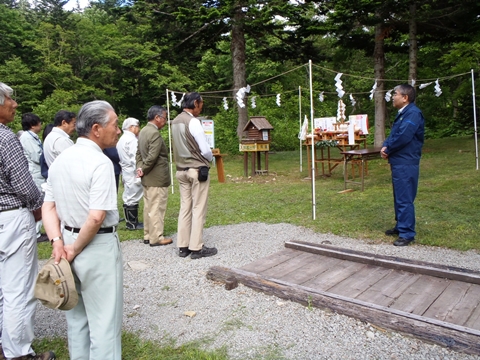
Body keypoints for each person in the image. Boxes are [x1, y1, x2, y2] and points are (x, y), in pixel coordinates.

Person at [42, 100, 123, 360]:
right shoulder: (100, 163)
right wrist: (74, 248)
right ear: (97, 129)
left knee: (76, 320)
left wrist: (57, 242)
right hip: (95, 247)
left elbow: (48, 207)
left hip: (65, 243)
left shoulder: (60, 160)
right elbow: (97, 216)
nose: (118, 130)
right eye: (115, 124)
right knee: (104, 325)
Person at [0, 82, 55, 360]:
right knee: (19, 288)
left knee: (1, 287)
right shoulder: (6, 138)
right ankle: (18, 351)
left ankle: (3, 342)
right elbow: (24, 185)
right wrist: (41, 207)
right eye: (10, 99)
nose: (15, 104)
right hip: (10, 218)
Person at [171, 92, 217, 259]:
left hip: (181, 170)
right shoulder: (193, 122)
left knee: (185, 208)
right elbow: (204, 149)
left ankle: (183, 246)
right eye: (201, 104)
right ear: (196, 103)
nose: (201, 108)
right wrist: (210, 158)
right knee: (198, 208)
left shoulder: (175, 121)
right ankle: (196, 247)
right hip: (197, 170)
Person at [381, 84, 425, 247]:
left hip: (406, 162)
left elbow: (404, 136)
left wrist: (389, 148)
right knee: (399, 195)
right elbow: (394, 134)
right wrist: (385, 146)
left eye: (395, 94)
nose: (393, 96)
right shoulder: (403, 114)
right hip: (399, 161)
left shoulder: (413, 113)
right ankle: (401, 225)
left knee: (405, 197)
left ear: (405, 97)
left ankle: (407, 233)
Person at [136, 106, 172, 246]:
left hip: (147, 177)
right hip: (157, 177)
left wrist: (140, 168)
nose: (165, 121)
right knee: (157, 207)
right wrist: (143, 168)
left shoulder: (143, 131)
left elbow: (138, 153)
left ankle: (148, 234)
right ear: (157, 117)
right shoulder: (154, 133)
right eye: (164, 117)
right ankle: (156, 237)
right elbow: (153, 156)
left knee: (148, 206)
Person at [19, 113, 49, 242]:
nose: (41, 125)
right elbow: (36, 156)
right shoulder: (27, 138)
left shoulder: (32, 137)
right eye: (39, 122)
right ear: (33, 125)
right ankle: (36, 233)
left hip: (38, 173)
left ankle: (37, 230)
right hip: (34, 174)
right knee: (39, 202)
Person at [117, 117, 144, 230]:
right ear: (132, 127)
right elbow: (135, 157)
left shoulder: (122, 139)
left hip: (126, 170)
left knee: (129, 195)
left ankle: (131, 222)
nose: (138, 129)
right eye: (137, 127)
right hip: (132, 170)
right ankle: (132, 223)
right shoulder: (131, 140)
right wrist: (139, 170)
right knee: (132, 196)